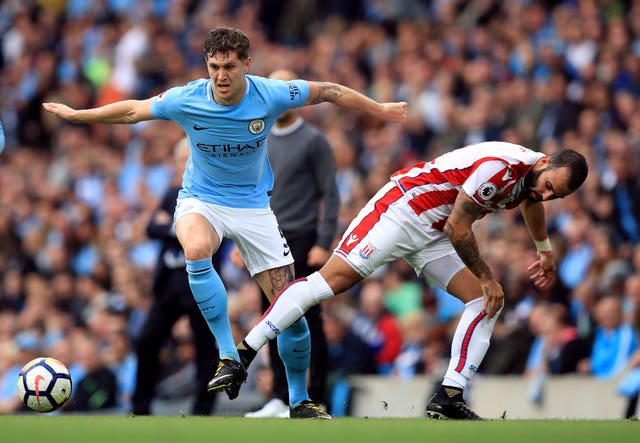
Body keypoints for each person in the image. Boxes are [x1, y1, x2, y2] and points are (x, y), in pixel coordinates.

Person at [42, 26, 407, 419]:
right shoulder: (188, 98)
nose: (221, 76)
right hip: (202, 200)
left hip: (254, 209)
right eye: (214, 66)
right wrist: (82, 116)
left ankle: (300, 401)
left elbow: (330, 91)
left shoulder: (271, 93)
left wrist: (380, 109)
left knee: (292, 313)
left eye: (229, 66)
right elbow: (134, 110)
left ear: (246, 65)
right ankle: (229, 355)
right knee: (196, 248)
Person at [209, 141, 589, 420]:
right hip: (402, 211)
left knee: (486, 301)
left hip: (434, 232)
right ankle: (241, 353)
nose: (545, 194)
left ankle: (449, 395)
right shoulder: (500, 169)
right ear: (544, 161)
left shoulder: (530, 180)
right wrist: (488, 276)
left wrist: (544, 248)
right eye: (550, 184)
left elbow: (530, 202)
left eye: (556, 195)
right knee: (329, 284)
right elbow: (461, 227)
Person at [243, 69, 339, 418]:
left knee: (309, 319)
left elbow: (330, 193)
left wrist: (323, 241)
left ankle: (316, 395)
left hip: (302, 238)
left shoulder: (314, 141)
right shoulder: (261, 138)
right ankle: (282, 398)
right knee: (272, 319)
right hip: (265, 240)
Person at [130, 137, 218, 416]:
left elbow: (209, 236)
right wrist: (180, 230)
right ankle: (140, 405)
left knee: (204, 346)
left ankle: (203, 409)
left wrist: (171, 228)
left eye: (187, 160)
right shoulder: (171, 194)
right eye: (181, 160)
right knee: (147, 340)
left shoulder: (213, 195)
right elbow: (150, 229)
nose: (182, 166)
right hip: (169, 281)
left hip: (200, 280)